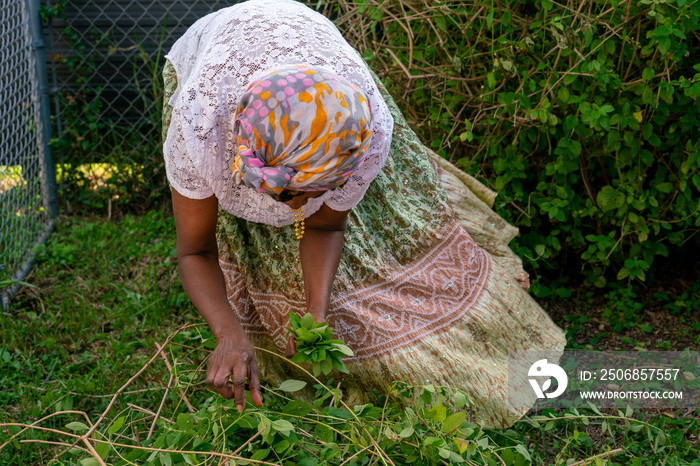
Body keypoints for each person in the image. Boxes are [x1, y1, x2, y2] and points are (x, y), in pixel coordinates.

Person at [162, 0, 566, 428]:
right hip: (220, 49)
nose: (302, 206)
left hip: (317, 64)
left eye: (324, 188)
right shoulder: (201, 126)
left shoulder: (364, 130)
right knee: (239, 280)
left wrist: (317, 311)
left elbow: (327, 223)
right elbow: (195, 252)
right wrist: (228, 332)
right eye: (291, 192)